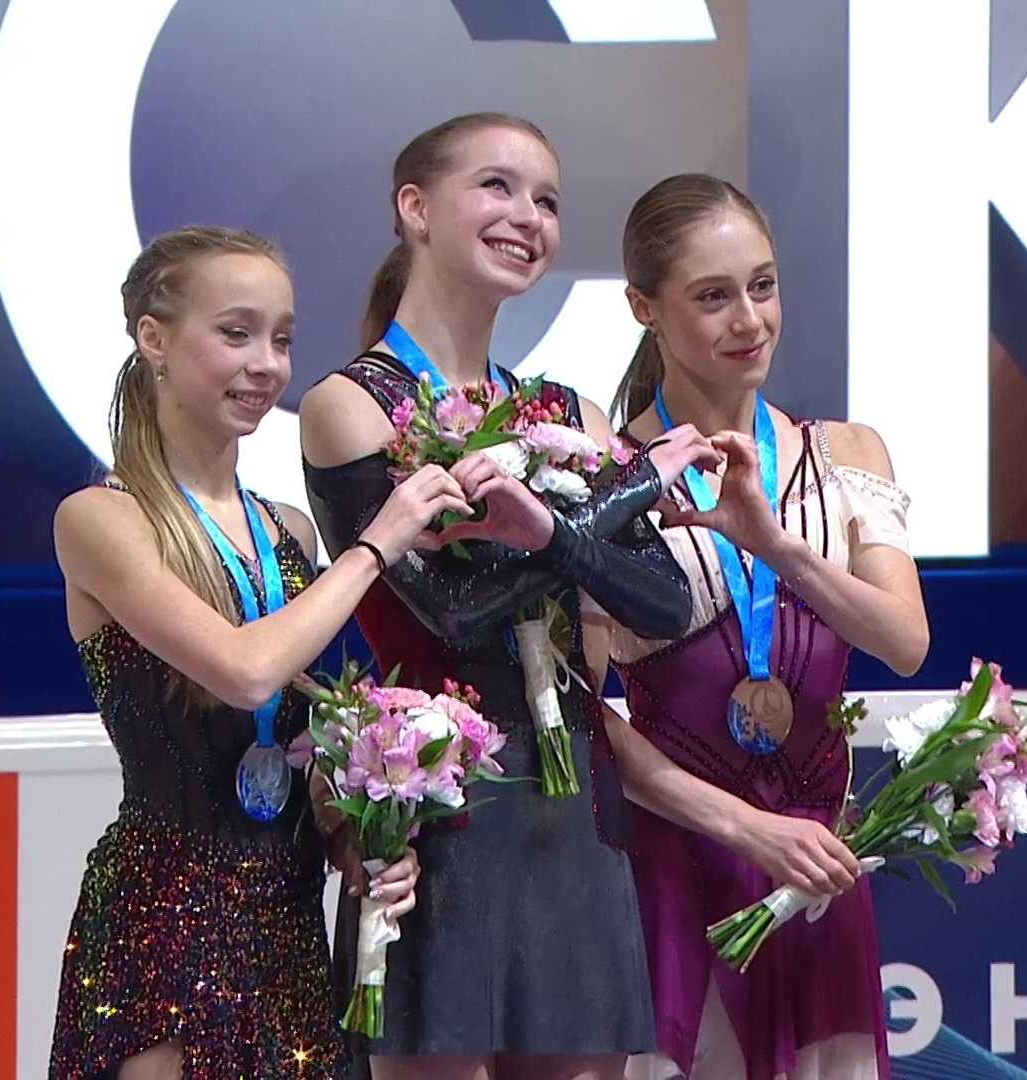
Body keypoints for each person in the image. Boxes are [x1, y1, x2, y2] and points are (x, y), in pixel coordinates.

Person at [297, 114, 719, 1080]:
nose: (528, 215)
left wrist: (564, 526)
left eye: (548, 201)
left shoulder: (566, 414)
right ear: (415, 208)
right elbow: (452, 608)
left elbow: (664, 603)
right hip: (437, 809)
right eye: (498, 186)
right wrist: (624, 495)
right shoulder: (351, 403)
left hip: (573, 814)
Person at [48, 226, 470, 1080]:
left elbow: (288, 731)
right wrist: (376, 544)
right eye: (236, 333)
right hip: (164, 924)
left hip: (285, 917)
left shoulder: (289, 533)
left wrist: (360, 837)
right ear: (154, 338)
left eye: (281, 338)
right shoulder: (103, 520)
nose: (267, 364)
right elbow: (244, 670)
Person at [594, 174, 932, 1080]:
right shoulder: (607, 479)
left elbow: (904, 642)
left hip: (816, 871)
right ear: (643, 308)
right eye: (713, 297)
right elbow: (582, 713)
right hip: (679, 871)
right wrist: (743, 826)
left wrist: (776, 546)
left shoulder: (846, 452)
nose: (749, 320)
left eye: (763, 286)